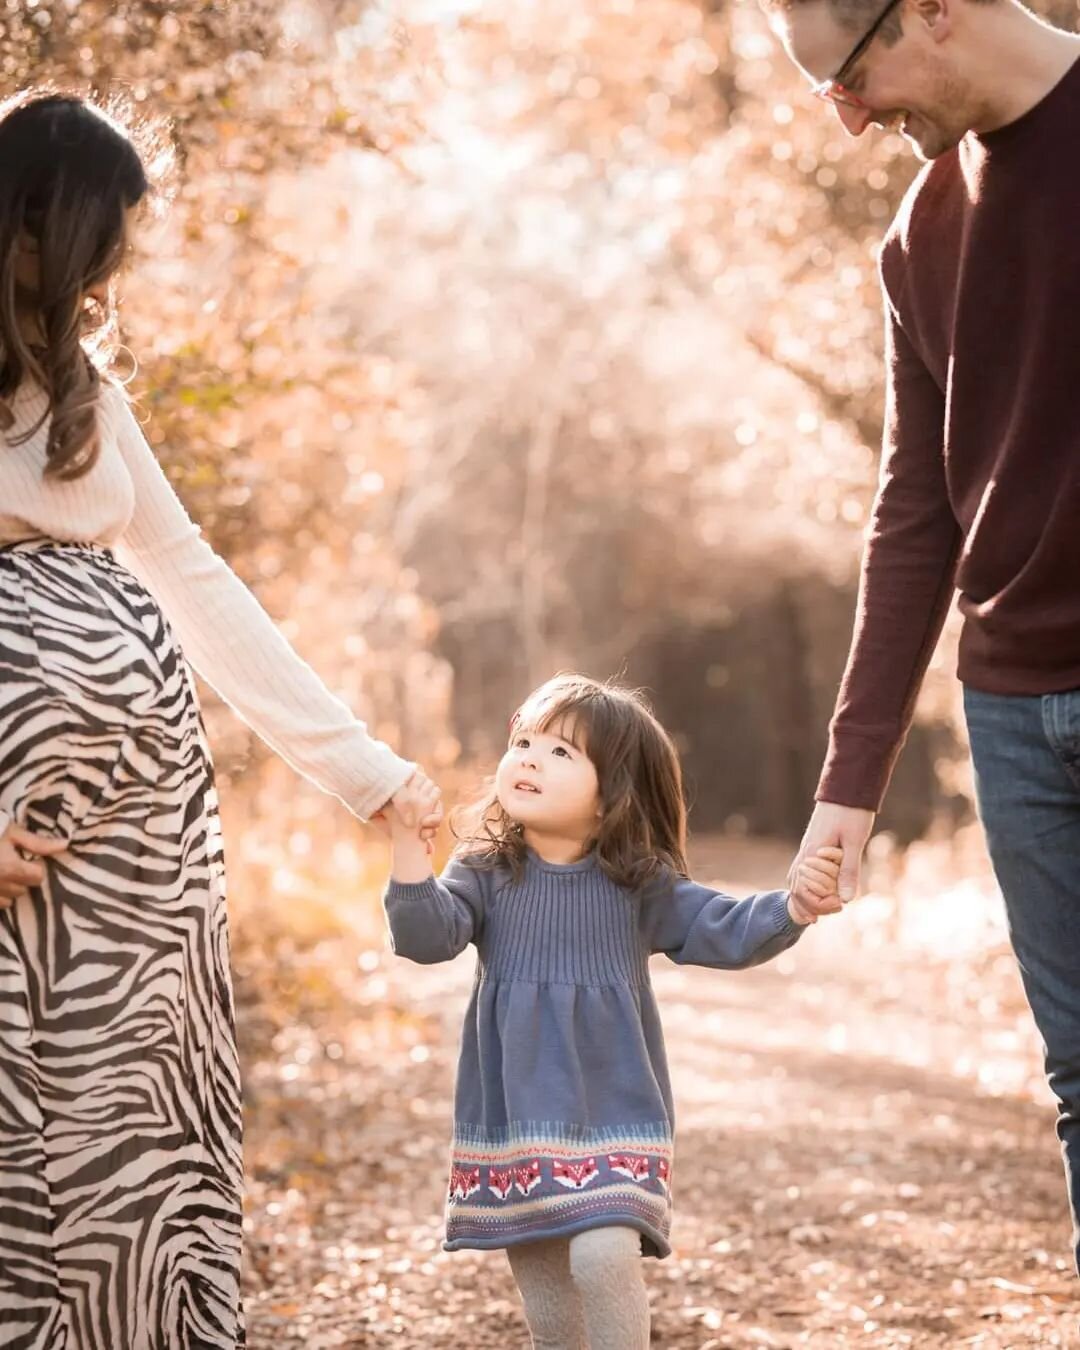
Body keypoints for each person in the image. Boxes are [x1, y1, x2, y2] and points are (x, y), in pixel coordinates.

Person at [0, 90, 440, 1349]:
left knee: (149, 1158)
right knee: (40, 1181)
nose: (110, 283)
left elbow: (195, 584)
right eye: (100, 248)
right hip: (26, 888)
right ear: (30, 229)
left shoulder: (81, 394)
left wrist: (366, 771)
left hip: (145, 880)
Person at [764, 0, 1080, 1268]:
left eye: (849, 78)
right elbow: (913, 517)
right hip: (1013, 719)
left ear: (934, 10)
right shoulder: (920, 236)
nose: (847, 121)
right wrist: (851, 782)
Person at [382, 673, 843, 1349]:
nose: (531, 758)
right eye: (526, 741)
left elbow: (722, 926)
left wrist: (794, 906)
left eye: (563, 752)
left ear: (611, 796)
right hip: (515, 1120)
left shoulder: (637, 883)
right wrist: (406, 850)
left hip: (615, 1115)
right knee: (545, 1291)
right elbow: (424, 938)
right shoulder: (484, 870)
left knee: (602, 1257)